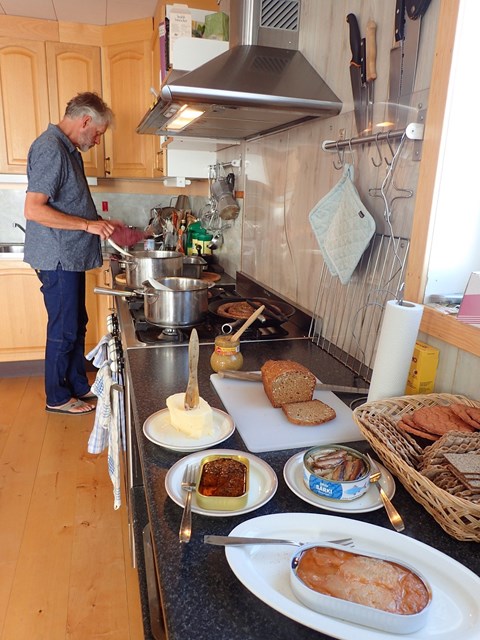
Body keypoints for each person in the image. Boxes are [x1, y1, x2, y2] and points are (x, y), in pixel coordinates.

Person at [23, 92, 120, 415]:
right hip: (58, 257)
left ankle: (77, 385)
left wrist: (96, 222)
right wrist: (88, 226)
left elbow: (66, 202)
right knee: (64, 327)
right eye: (97, 133)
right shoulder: (51, 148)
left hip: (69, 256)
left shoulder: (68, 150)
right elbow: (34, 209)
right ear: (85, 121)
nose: (96, 140)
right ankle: (57, 397)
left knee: (76, 322)